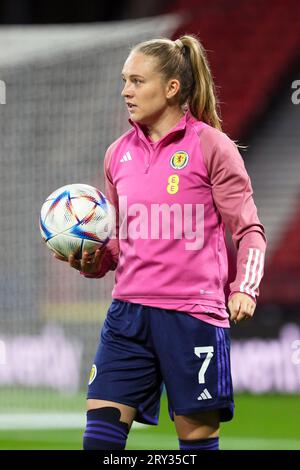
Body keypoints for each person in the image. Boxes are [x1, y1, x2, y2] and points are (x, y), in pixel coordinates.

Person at [55, 35, 266, 451]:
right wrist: (90, 259)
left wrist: (244, 287)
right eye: (124, 81)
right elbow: (118, 244)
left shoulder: (212, 146)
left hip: (191, 316)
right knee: (98, 440)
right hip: (127, 314)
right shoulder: (117, 154)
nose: (125, 91)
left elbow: (249, 230)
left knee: (197, 443)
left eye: (137, 81)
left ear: (171, 88)